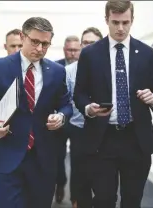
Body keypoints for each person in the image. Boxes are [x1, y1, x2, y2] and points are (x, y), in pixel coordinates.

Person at [73, 1, 153, 208]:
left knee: (132, 200)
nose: (120, 28)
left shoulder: (147, 54)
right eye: (115, 22)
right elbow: (79, 93)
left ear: (132, 20)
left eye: (125, 22)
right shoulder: (90, 55)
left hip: (136, 138)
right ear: (106, 20)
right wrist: (88, 109)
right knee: (104, 200)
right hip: (102, 139)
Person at [0, 17, 73, 208]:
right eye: (35, 42)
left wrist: (61, 116)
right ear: (22, 36)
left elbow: (66, 104)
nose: (40, 49)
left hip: (43, 157)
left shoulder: (57, 71)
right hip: (7, 155)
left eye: (45, 44)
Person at [65, 27, 103, 208]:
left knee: (102, 175)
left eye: (93, 43)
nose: (88, 46)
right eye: (85, 43)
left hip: (104, 130)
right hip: (78, 128)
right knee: (80, 173)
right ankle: (77, 201)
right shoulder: (70, 71)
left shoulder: (107, 68)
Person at [53, 34, 81, 203]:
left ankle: (76, 197)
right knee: (58, 157)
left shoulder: (85, 68)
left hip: (79, 120)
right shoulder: (56, 67)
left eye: (75, 50)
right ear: (64, 50)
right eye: (69, 50)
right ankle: (60, 183)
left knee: (77, 160)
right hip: (61, 120)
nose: (72, 53)